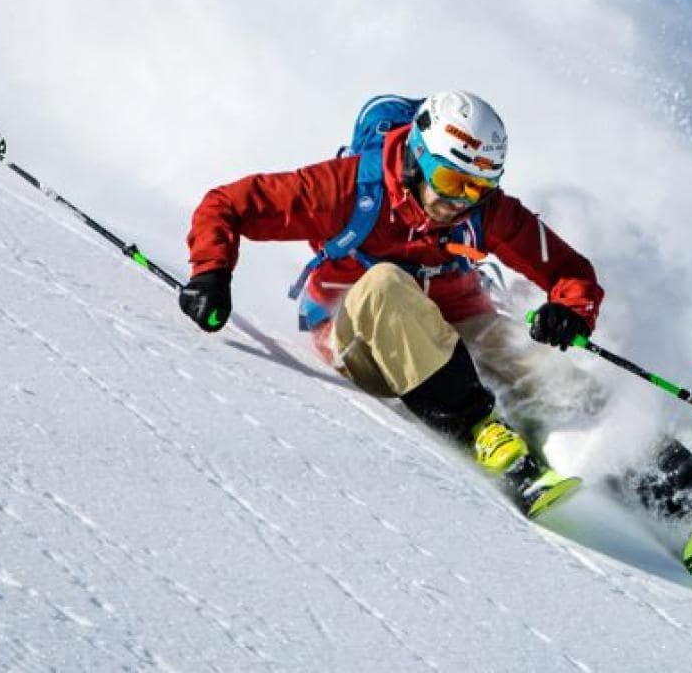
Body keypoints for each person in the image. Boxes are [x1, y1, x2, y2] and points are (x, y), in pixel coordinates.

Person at [174, 90, 599, 516]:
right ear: (418, 157)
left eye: (477, 188)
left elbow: (569, 270)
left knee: (528, 354)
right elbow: (226, 204)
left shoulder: (484, 211)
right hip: (360, 340)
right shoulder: (347, 188)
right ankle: (479, 431)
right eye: (450, 182)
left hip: (450, 325)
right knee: (385, 284)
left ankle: (624, 459)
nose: (459, 202)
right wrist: (211, 272)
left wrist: (570, 311)